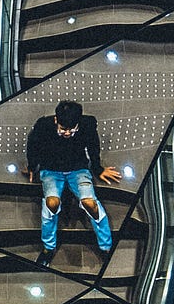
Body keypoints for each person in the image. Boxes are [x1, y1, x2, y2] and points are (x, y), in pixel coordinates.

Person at [25, 101, 121, 265]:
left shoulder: (87, 124)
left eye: (72, 129)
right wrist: (32, 167)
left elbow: (93, 146)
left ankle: (106, 247)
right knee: (51, 203)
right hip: (51, 170)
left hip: (78, 169)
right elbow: (33, 146)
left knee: (91, 204)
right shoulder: (43, 126)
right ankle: (48, 248)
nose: (68, 133)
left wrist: (98, 168)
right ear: (56, 120)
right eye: (63, 129)